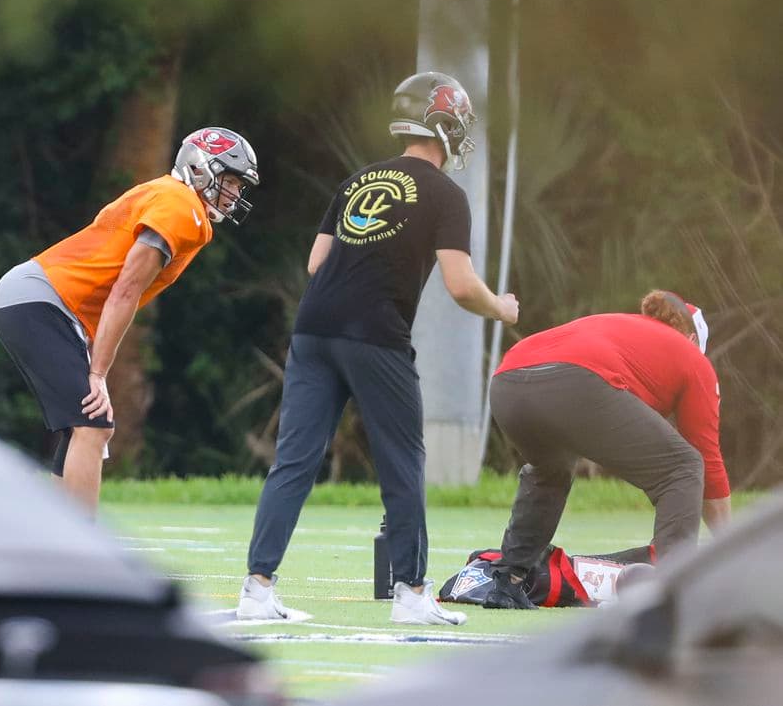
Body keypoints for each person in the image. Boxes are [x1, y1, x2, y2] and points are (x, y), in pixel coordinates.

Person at [236, 72, 519, 625]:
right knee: (402, 461)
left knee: (294, 461)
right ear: (443, 124)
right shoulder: (446, 194)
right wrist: (502, 309)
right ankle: (411, 594)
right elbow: (462, 286)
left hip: (314, 328)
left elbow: (316, 263)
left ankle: (257, 588)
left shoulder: (357, 180)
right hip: (375, 334)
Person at [0, 127, 260, 514]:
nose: (234, 193)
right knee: (93, 424)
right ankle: (78, 544)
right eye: (230, 181)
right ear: (200, 167)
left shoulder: (172, 197)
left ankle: (57, 534)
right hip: (42, 300)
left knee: (87, 426)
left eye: (238, 186)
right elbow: (126, 289)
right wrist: (98, 373)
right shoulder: (181, 205)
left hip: (43, 300)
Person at [482, 290, 731, 610]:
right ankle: (675, 595)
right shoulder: (693, 358)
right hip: (577, 382)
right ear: (693, 340)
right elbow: (708, 464)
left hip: (507, 382)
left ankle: (508, 582)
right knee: (684, 467)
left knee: (550, 470)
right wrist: (732, 544)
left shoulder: (628, 328)